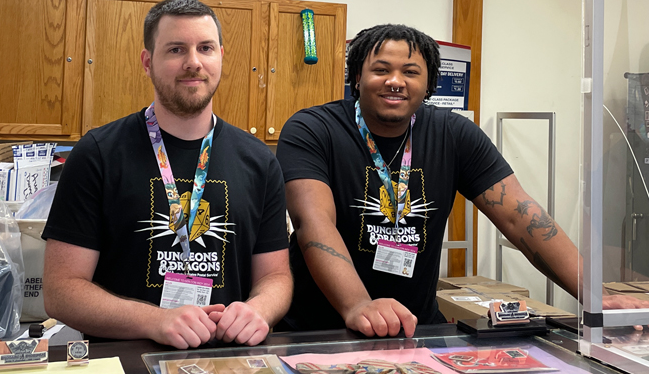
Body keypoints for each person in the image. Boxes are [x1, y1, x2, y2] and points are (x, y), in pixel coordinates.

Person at [275, 23, 649, 338]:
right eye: (380, 69)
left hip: (414, 330)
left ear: (428, 83)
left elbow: (521, 216)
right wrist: (359, 304)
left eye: (410, 71)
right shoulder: (312, 130)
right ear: (357, 77)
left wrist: (594, 296)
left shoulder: (454, 133)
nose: (395, 81)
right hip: (318, 329)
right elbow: (314, 224)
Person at [42, 0, 292, 349]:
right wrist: (155, 321)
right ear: (148, 62)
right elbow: (61, 290)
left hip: (227, 366)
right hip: (123, 369)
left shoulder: (259, 161)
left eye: (205, 48)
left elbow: (276, 276)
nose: (193, 62)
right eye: (176, 49)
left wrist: (259, 310)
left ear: (220, 55)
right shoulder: (98, 154)